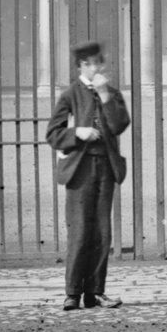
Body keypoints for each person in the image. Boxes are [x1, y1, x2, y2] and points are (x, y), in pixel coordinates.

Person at [46, 39, 130, 312]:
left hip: (105, 167)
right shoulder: (70, 95)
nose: (96, 68)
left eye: (98, 63)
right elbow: (53, 134)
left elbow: (119, 125)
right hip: (79, 170)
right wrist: (77, 133)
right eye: (90, 64)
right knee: (80, 231)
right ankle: (72, 293)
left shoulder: (111, 93)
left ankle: (95, 292)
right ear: (80, 66)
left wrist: (105, 96)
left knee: (102, 233)